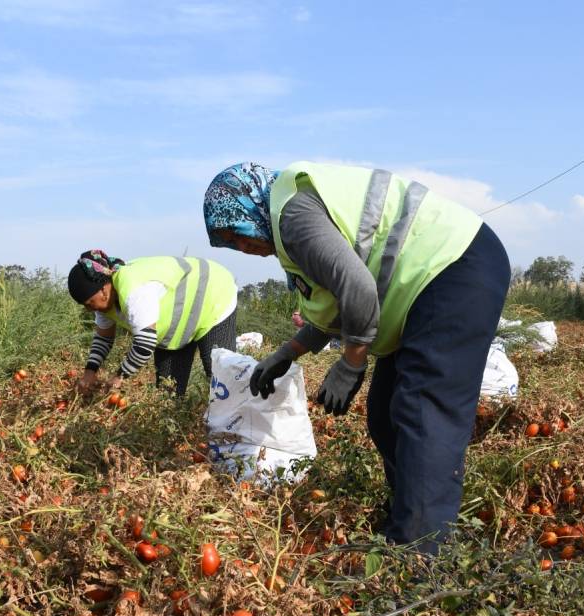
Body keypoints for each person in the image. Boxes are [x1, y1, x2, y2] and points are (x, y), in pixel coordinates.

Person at [203, 162, 510, 554]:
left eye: (239, 235)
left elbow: (359, 289)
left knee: (422, 411)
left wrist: (351, 363)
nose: (244, 248)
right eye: (233, 244)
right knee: (384, 414)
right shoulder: (290, 223)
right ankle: (411, 517)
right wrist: (286, 353)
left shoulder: (293, 217)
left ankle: (420, 553)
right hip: (434, 282)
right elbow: (332, 307)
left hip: (454, 268)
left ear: (250, 208)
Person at [66, 250, 237, 397]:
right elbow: (103, 339)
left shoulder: (133, 289)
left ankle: (237, 433)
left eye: (89, 303)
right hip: (180, 321)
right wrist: (89, 373)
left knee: (221, 381)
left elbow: (144, 344)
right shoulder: (104, 304)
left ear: (103, 289)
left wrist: (119, 376)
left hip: (213, 295)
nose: (88, 309)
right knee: (167, 394)